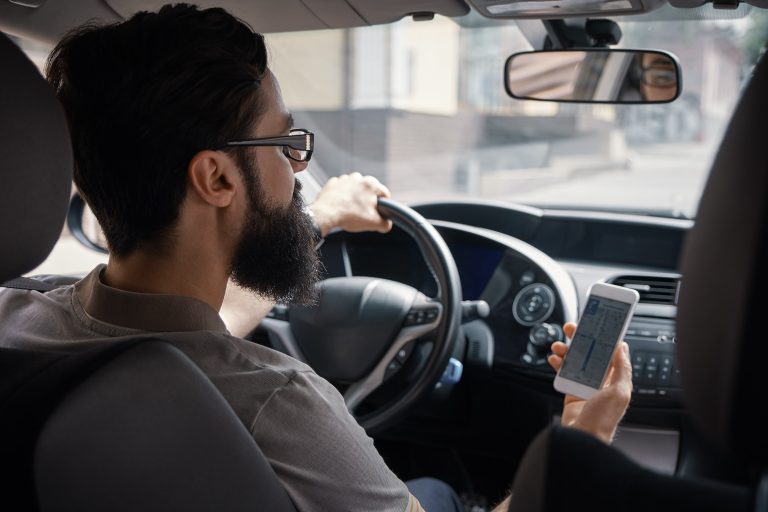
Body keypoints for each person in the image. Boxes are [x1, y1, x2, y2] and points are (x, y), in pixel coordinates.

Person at [0, 5, 632, 511]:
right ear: (217, 179)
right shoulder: (279, 402)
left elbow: (186, 341)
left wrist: (320, 218)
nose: (298, 169)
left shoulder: (17, 315)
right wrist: (584, 435)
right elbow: (205, 357)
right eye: (287, 144)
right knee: (440, 490)